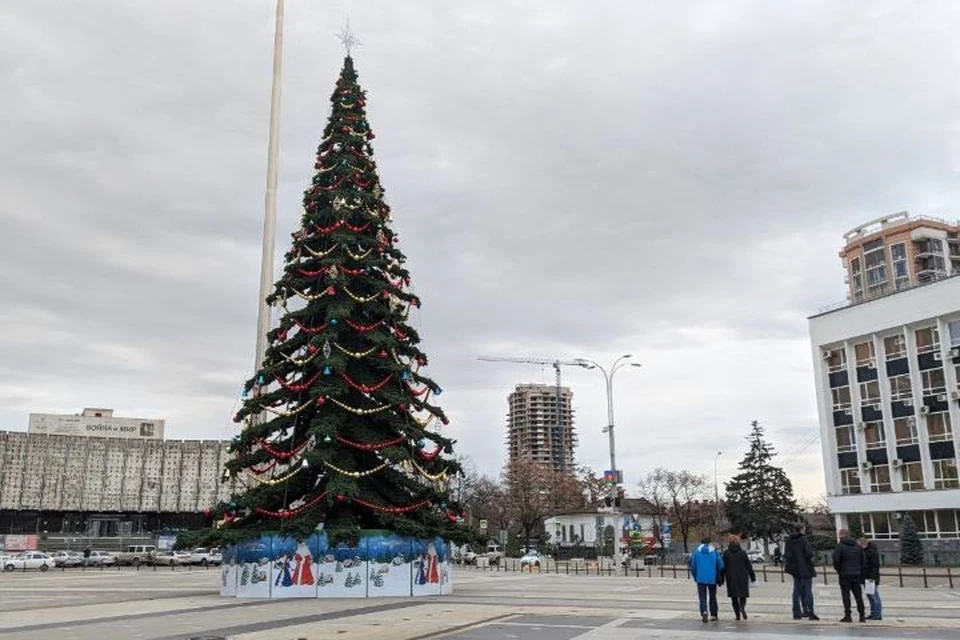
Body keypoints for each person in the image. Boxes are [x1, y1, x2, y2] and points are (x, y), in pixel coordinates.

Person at [783, 524, 819, 620]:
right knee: (808, 591)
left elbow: (787, 554)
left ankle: (796, 612)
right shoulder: (804, 540)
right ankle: (810, 611)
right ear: (802, 530)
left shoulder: (788, 540)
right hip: (805, 568)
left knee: (796, 591)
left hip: (794, 569)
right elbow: (809, 553)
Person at [832, 528, 866, 623]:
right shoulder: (857, 546)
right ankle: (862, 615)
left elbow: (836, 560)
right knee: (858, 595)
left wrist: (839, 570)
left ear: (841, 535)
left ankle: (848, 615)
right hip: (856, 574)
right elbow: (863, 560)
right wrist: (858, 569)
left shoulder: (840, 546)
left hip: (844, 574)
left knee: (846, 595)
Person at [689, 535, 725, 623]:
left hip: (700, 578)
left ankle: (704, 611)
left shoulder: (696, 552)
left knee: (702, 596)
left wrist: (695, 576)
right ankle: (713, 614)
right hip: (712, 578)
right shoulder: (714, 552)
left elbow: (692, 566)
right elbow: (721, 565)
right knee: (712, 596)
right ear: (709, 542)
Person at [720, 534, 756, 621]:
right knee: (743, 595)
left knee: (734, 597)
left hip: (731, 577)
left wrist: (721, 578)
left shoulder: (726, 553)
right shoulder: (743, 553)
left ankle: (737, 615)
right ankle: (742, 608)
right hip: (742, 576)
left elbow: (722, 567)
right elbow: (748, 565)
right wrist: (752, 576)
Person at [859, 537, 882, 620]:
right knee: (871, 595)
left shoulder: (871, 552)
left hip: (870, 578)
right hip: (868, 577)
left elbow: (875, 566)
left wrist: (872, 577)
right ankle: (874, 613)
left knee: (874, 596)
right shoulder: (869, 551)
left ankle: (877, 614)